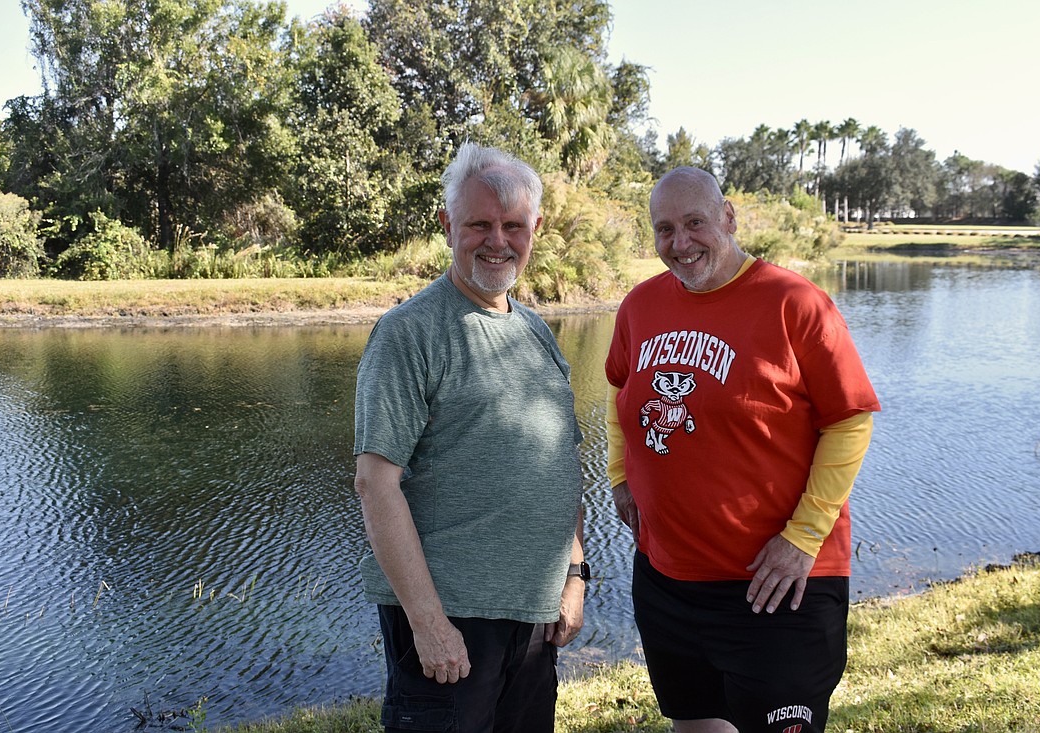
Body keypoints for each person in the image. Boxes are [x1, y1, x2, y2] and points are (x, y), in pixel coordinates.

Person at [604, 167, 880, 733]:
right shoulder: (640, 306)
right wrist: (618, 474)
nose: (680, 244)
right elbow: (619, 387)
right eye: (664, 230)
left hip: (778, 584)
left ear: (728, 218)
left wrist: (803, 537)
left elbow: (849, 420)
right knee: (696, 724)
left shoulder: (795, 304)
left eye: (694, 223)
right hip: (668, 579)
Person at [353, 142, 588, 733]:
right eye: (479, 224)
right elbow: (375, 485)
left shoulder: (537, 332)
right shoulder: (408, 334)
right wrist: (428, 624)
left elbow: (563, 463)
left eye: (512, 225)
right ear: (446, 225)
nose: (497, 241)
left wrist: (575, 574)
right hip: (451, 623)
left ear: (536, 227)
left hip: (533, 620)